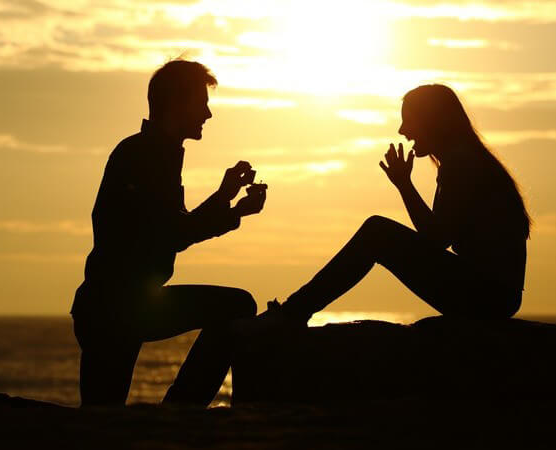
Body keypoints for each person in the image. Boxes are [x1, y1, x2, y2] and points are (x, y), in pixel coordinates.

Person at [71, 60, 267, 407]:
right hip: (116, 308)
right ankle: (181, 410)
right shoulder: (145, 155)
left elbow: (174, 227)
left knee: (101, 416)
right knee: (237, 306)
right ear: (177, 103)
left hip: (123, 305)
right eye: (201, 103)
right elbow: (175, 232)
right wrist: (230, 207)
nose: (208, 114)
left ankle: (179, 411)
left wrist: (227, 200)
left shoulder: (156, 153)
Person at [264, 84, 531, 324]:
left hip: (487, 296)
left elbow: (437, 238)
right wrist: (404, 184)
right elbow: (439, 236)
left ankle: (292, 313)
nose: (402, 130)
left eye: (409, 121)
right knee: (377, 232)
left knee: (376, 232)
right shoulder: (464, 159)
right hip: (496, 296)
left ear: (432, 121)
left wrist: (404, 185)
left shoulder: (461, 163)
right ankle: (295, 310)